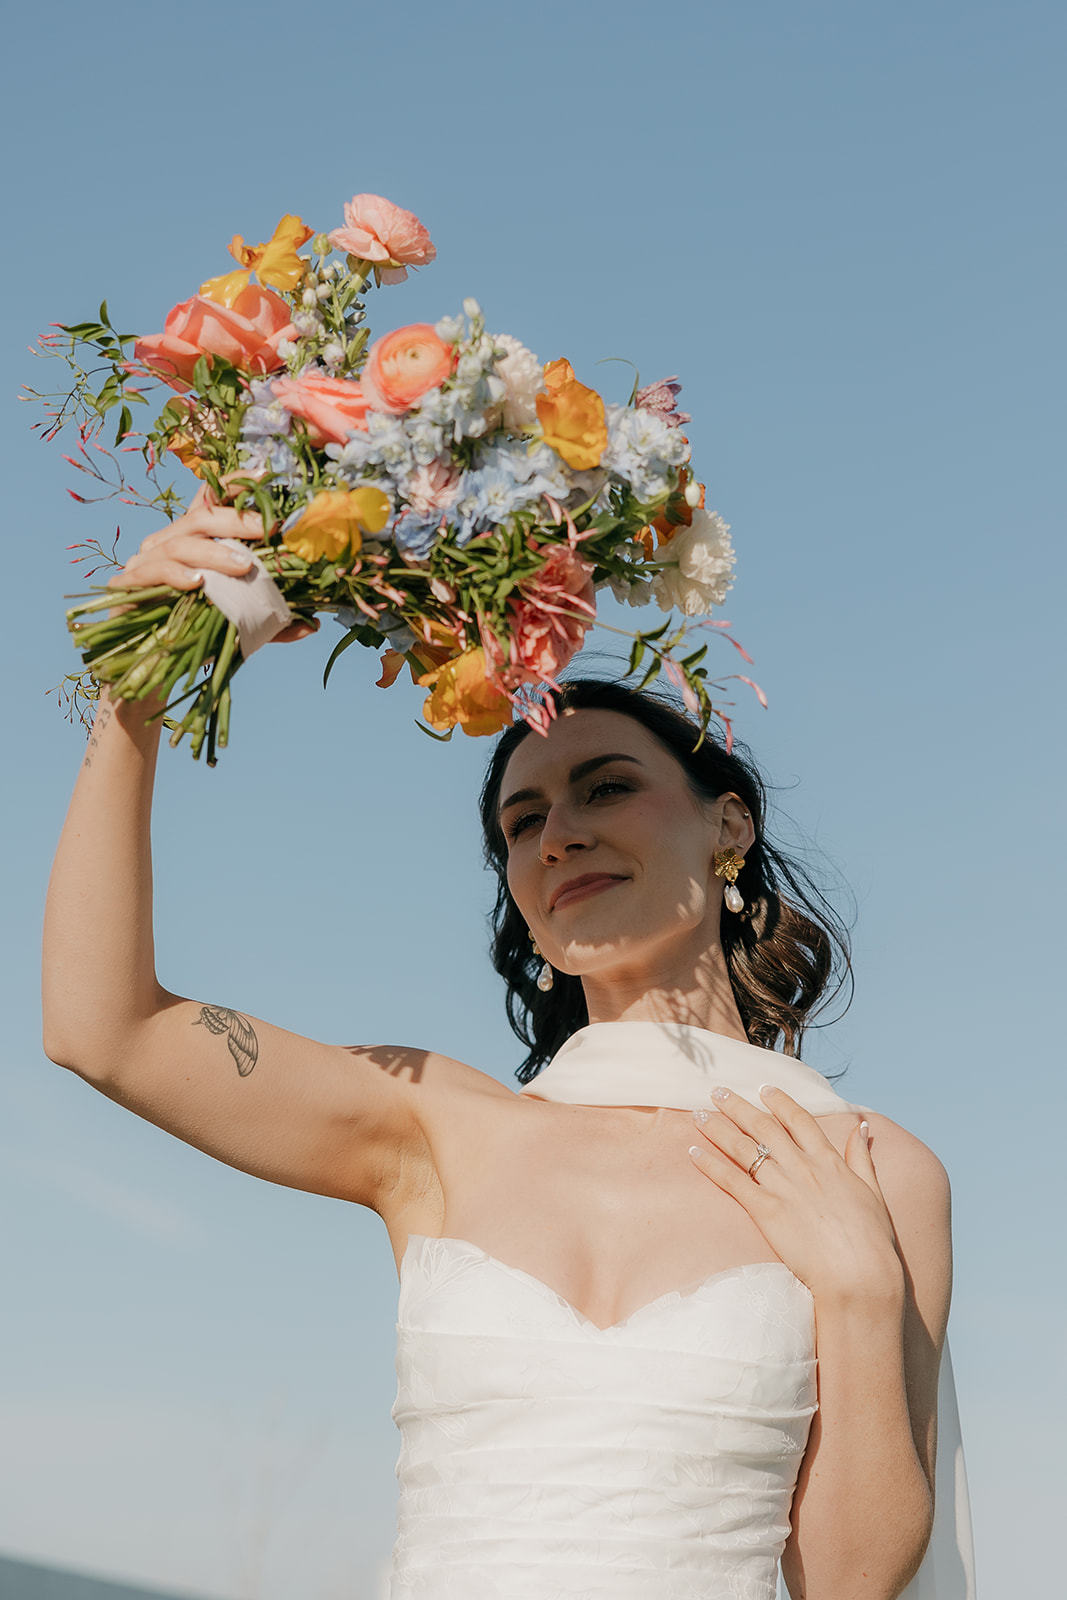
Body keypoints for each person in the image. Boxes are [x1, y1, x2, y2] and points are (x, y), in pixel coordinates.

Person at [42, 496, 964, 1600]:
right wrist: (136, 689)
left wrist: (858, 1289)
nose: (558, 833)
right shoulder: (438, 1129)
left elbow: (850, 1580)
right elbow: (105, 1029)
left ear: (727, 823)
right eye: (521, 822)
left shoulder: (868, 1169)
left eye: (605, 786)